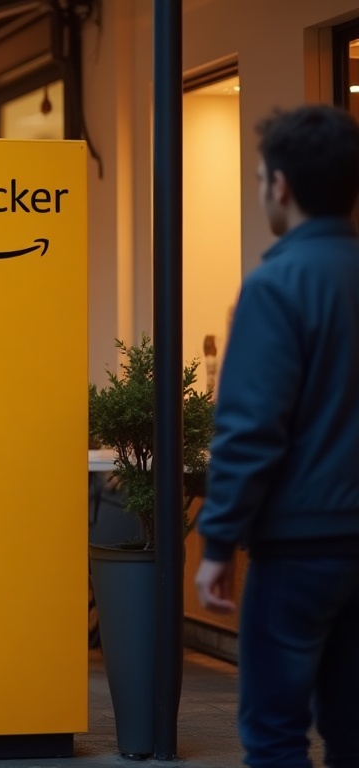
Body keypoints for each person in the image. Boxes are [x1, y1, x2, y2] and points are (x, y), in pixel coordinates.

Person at [194, 105, 359, 768]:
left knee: (275, 732)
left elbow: (250, 429)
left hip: (298, 546)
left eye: (261, 176)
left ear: (280, 186)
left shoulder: (276, 285)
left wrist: (217, 542)